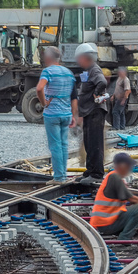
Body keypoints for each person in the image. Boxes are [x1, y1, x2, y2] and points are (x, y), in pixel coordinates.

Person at [90, 152, 138, 239]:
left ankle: (127, 232)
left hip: (104, 222)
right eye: (129, 166)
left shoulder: (113, 177)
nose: (130, 169)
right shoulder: (114, 177)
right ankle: (124, 238)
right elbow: (131, 198)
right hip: (105, 224)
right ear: (122, 166)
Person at [37, 46, 77, 184]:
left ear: (48, 57)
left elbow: (39, 88)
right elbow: (74, 97)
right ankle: (63, 175)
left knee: (55, 146)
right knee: (64, 145)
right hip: (66, 113)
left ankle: (59, 178)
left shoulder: (47, 71)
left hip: (52, 114)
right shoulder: (68, 73)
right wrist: (73, 115)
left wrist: (44, 103)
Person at [74, 42, 109, 184]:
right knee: (88, 143)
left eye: (79, 58)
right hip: (89, 112)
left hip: (95, 111)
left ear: (86, 57)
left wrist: (96, 94)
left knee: (95, 143)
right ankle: (90, 170)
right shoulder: (88, 70)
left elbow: (102, 82)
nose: (78, 61)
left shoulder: (94, 69)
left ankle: (97, 174)